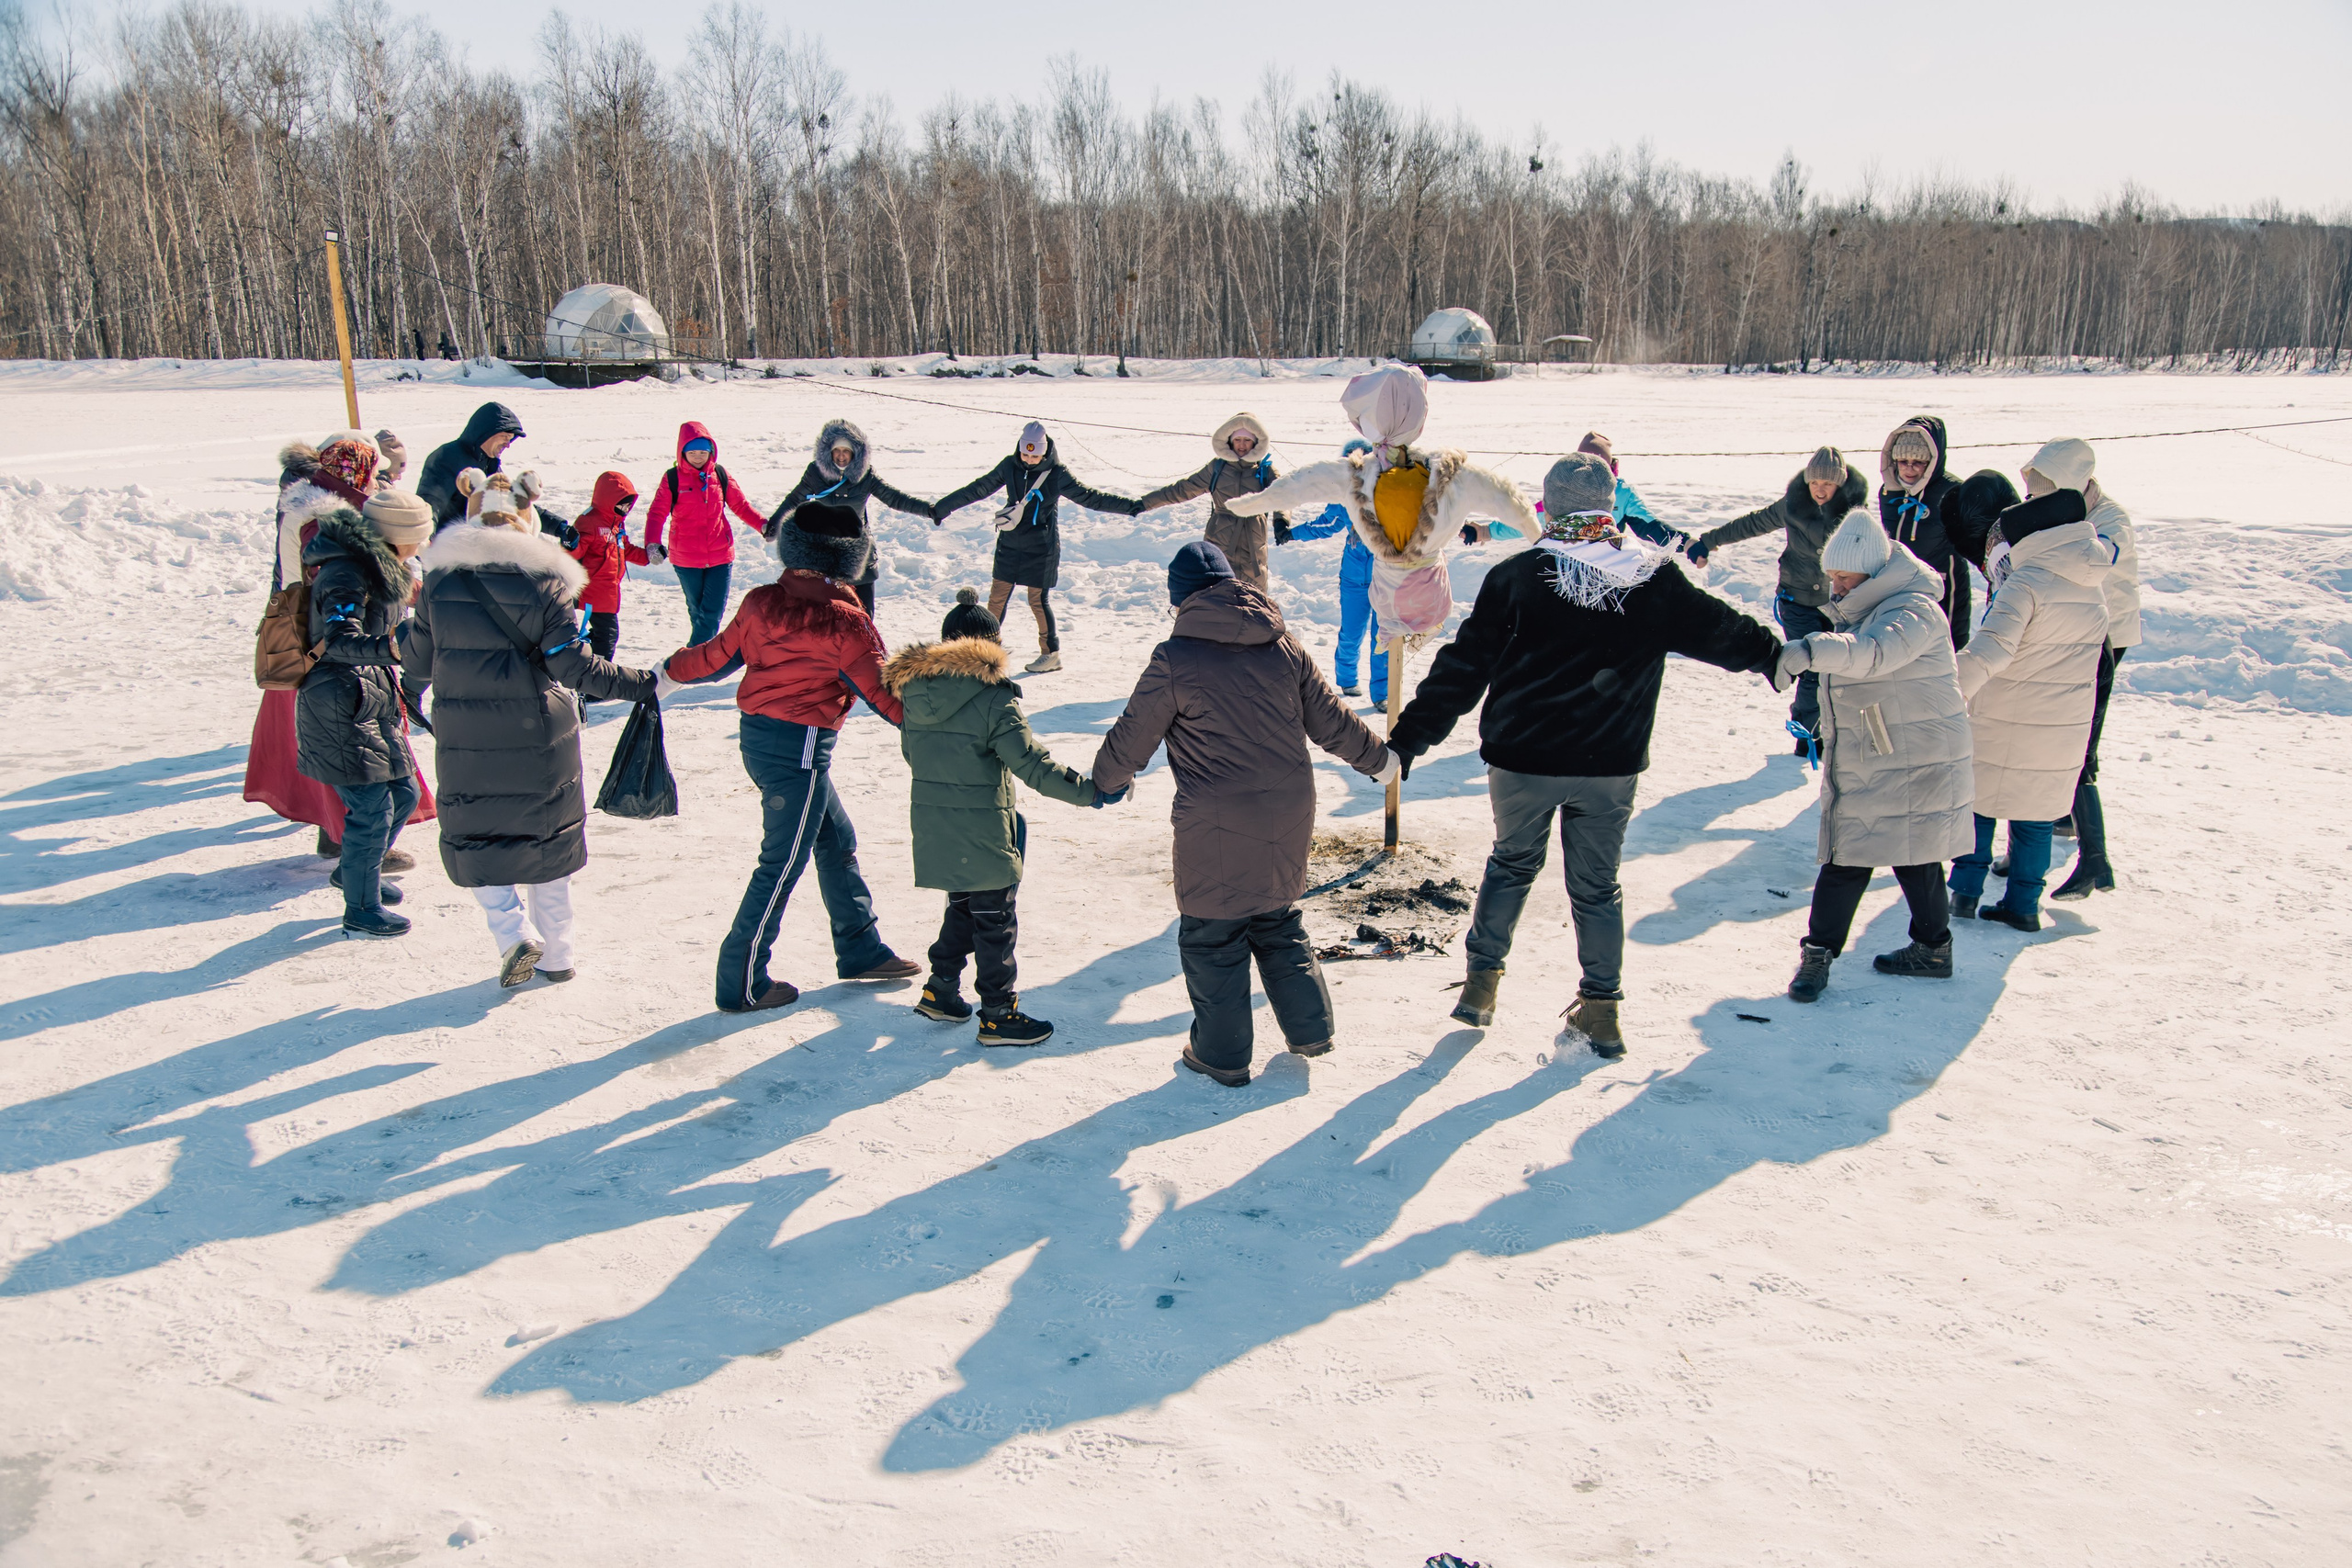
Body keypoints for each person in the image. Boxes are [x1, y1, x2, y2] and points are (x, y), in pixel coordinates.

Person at [1386, 454, 1782, 1057]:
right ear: (1609, 506)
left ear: (1548, 507)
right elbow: (1724, 631)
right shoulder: (1654, 580)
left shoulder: (1517, 578)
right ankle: (1601, 1008)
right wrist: (1775, 656)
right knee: (1596, 888)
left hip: (1522, 761)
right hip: (1609, 766)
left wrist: (1411, 736)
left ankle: (1481, 985)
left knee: (1512, 864)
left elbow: (1463, 668)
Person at [1091, 543, 1397, 1087]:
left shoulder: (1175, 658)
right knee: (1277, 917)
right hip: (1289, 806)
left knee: (1214, 932)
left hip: (1217, 814)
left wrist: (1106, 783)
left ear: (1180, 599)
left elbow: (1131, 739)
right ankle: (1310, 1029)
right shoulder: (1283, 645)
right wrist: (1381, 760)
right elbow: (1331, 719)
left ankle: (1221, 1055)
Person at [401, 468, 660, 987]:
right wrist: (644, 682)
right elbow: (574, 668)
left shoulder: (440, 583)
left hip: (467, 737)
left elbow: (419, 663)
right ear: (527, 520)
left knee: (476, 837)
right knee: (550, 845)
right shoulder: (547, 581)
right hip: (540, 733)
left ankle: (513, 933)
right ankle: (558, 955)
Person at [662, 502, 922, 1013]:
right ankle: (741, 979)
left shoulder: (761, 602)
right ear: (850, 561)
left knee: (835, 838)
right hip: (799, 748)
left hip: (759, 740)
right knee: (781, 863)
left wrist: (663, 671)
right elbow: (887, 696)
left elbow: (716, 658)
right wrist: (947, 730)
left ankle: (860, 948)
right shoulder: (845, 621)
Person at [882, 589, 1096, 1044]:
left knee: (963, 903)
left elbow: (913, 756)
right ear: (991, 645)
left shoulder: (913, 696)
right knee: (995, 918)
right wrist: (1088, 792)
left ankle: (941, 990)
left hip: (935, 824)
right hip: (983, 824)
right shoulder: (994, 700)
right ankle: (998, 1014)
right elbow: (1033, 766)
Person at [1774, 512, 1973, 1001]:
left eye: (1843, 577)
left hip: (1915, 752)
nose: (1835, 586)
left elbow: (1872, 654)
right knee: (1887, 849)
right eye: (1833, 576)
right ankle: (1920, 948)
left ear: (1872, 572)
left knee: (1876, 852)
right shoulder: (1877, 606)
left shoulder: (1914, 609)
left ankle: (1829, 955)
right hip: (1892, 748)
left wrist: (1810, 649)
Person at [1226, 366, 1538, 663]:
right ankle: (1353, 680)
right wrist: (1535, 533)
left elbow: (1305, 485)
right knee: (1360, 631)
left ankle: (1378, 690)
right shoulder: (1435, 478)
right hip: (1387, 585)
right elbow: (1511, 502)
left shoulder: (1366, 478)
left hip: (1404, 589)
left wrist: (1259, 506)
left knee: (1377, 636)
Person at [243, 431, 435, 863]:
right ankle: (358, 847)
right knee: (351, 746)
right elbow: (340, 584)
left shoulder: (315, 504)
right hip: (327, 647)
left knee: (332, 747)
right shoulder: (325, 517)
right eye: (370, 471)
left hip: (310, 642)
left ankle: (340, 835)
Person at [1946, 484, 2112, 931]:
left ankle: (1964, 894)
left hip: (2006, 720)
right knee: (2036, 817)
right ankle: (2022, 906)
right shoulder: (2092, 587)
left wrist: (1945, 690)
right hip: (2063, 727)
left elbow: (1991, 650)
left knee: (1978, 807)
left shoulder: (2025, 583)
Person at [294, 488, 436, 939]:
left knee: (406, 795)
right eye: (421, 536)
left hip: (369, 695)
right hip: (337, 701)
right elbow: (337, 638)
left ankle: (358, 874)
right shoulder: (345, 573)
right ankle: (360, 907)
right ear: (401, 536)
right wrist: (393, 646)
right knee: (371, 808)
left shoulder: (383, 567)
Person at [1684, 446, 1870, 750]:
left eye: (1828, 484)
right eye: (1814, 483)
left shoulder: (1855, 515)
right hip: (1796, 598)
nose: (1820, 490)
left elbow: (1875, 553)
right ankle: (1807, 737)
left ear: (1841, 483)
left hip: (1838, 604)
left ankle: (1830, 726)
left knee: (1835, 668)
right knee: (1814, 666)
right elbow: (1754, 523)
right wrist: (1709, 541)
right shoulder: (1793, 505)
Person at [2021, 438, 2137, 900]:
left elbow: (2095, 558)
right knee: (2064, 738)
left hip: (2102, 641)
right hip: (2072, 632)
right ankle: (2064, 818)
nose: (2034, 501)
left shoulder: (2110, 519)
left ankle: (2096, 862)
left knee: (2076, 744)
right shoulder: (2063, 509)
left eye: (2044, 492)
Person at [932, 421, 1141, 674]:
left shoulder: (1057, 474)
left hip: (1042, 547)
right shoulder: (1009, 466)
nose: (1030, 459)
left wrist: (1130, 506)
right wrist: (943, 507)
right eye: (1025, 454)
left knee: (1037, 600)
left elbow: (1090, 497)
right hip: (1010, 543)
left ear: (1045, 452)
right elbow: (979, 488)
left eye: (1035, 455)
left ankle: (1050, 654)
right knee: (997, 598)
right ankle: (983, 652)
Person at [766, 419, 935, 617]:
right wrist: (774, 523)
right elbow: (794, 498)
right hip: (824, 556)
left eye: (846, 451)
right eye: (836, 451)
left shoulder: (866, 475)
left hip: (857, 555)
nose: (841, 456)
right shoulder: (816, 473)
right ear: (828, 452)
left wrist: (929, 510)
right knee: (826, 618)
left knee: (864, 615)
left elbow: (894, 498)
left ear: (855, 453)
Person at [644, 420, 768, 646]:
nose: (699, 456)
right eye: (693, 452)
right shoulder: (672, 478)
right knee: (697, 610)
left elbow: (740, 506)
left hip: (721, 555)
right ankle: (703, 656)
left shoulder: (719, 474)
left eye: (703, 451)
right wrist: (652, 543)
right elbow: (656, 514)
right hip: (686, 558)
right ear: (682, 452)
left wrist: (763, 525)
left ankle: (692, 662)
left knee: (711, 613)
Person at [1132, 413, 1289, 589]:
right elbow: (1183, 489)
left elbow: (1283, 496)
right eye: (1238, 440)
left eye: (1247, 440)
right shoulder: (1217, 468)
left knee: (1254, 594)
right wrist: (1145, 503)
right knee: (1215, 589)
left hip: (1253, 540)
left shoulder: (1265, 470)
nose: (1242, 445)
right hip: (1220, 537)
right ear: (1230, 441)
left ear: (1256, 442)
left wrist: (1282, 521)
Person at [1284, 439, 1385, 703]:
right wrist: (1293, 533)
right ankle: (1347, 678)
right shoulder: (1345, 496)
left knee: (1383, 636)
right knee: (1352, 632)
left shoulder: (1389, 494)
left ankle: (1383, 693)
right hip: (1353, 577)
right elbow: (1328, 524)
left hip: (1386, 577)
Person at [1877, 415, 1971, 648]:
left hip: (1943, 588)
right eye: (1903, 461)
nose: (1909, 468)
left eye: (1918, 462)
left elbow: (1970, 542)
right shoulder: (1889, 493)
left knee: (1944, 649)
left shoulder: (1952, 491)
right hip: (1899, 586)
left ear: (1933, 461)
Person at [561, 471, 649, 662]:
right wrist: (569, 544)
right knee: (607, 637)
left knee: (605, 637)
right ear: (608, 500)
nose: (626, 509)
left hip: (609, 592)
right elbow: (575, 552)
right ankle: (595, 681)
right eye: (622, 504)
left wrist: (648, 557)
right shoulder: (590, 520)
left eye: (628, 505)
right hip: (594, 591)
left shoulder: (617, 522)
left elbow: (625, 548)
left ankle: (586, 666)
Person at [418, 402, 525, 530]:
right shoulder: (448, 457)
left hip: (476, 540)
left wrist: (555, 526)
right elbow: (431, 504)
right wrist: (426, 539)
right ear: (487, 433)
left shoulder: (490, 463)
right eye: (504, 437)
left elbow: (514, 502)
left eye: (510, 439)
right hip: (448, 542)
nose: (507, 445)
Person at [1573, 431, 1681, 549]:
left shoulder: (1621, 493)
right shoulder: (1557, 490)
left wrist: (1687, 543)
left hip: (1608, 557)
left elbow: (1650, 526)